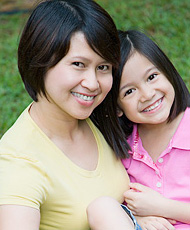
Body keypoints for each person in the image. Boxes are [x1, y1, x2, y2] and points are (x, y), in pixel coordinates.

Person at [0, 1, 136, 229]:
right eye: (78, 64)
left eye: (103, 67)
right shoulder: (19, 163)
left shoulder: (101, 115)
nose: (93, 84)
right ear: (39, 62)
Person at [107, 29, 190, 229]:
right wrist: (137, 220)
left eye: (152, 77)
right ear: (117, 107)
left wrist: (163, 207)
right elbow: (122, 205)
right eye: (129, 91)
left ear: (168, 72)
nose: (146, 94)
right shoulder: (124, 149)